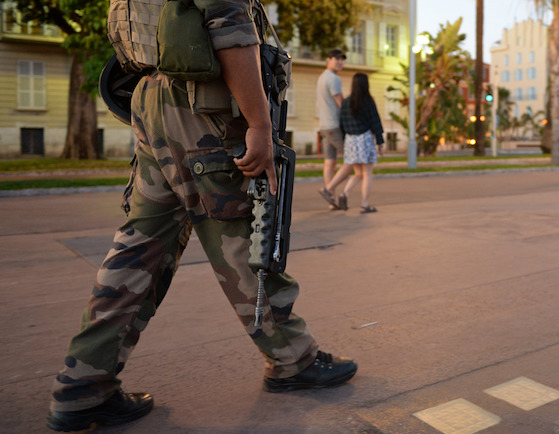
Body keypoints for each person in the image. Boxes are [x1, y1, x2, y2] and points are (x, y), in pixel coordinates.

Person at [46, 2, 356, 432]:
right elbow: (230, 27)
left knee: (138, 249)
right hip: (201, 107)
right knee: (245, 236)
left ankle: (83, 384)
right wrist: (259, 125)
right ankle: (293, 359)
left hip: (153, 102)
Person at [324, 73, 384, 213]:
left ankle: (344, 194)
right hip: (365, 139)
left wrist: (346, 141)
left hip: (351, 140)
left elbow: (342, 124)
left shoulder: (346, 102)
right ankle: (364, 205)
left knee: (358, 173)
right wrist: (380, 143)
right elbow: (375, 121)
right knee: (367, 173)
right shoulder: (368, 101)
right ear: (366, 85)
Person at [317, 49, 347, 209]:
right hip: (334, 126)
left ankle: (332, 201)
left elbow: (318, 104)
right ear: (328, 59)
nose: (340, 62)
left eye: (342, 59)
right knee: (352, 160)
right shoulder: (334, 79)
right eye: (337, 59)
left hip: (323, 126)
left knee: (330, 163)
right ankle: (328, 190)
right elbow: (340, 102)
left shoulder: (321, 77)